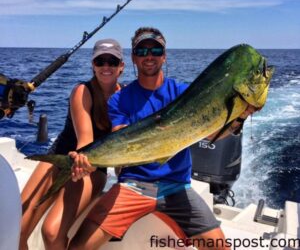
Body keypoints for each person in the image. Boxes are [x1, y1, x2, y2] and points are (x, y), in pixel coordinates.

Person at [68, 27, 256, 250]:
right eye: (142, 50)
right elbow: (120, 137)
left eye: (156, 50)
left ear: (164, 56)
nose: (149, 55)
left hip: (177, 187)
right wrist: (89, 160)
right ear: (133, 58)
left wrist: (239, 119)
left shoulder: (183, 93)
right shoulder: (119, 99)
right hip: (133, 186)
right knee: (78, 247)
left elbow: (211, 134)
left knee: (220, 247)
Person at [20, 39, 124, 250]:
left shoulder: (126, 98)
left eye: (112, 61)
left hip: (94, 167)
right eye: (100, 61)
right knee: (17, 225)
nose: (106, 66)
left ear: (121, 66)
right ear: (92, 65)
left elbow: (121, 146)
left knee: (51, 232)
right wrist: (81, 160)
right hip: (62, 156)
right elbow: (85, 139)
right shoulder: (82, 91)